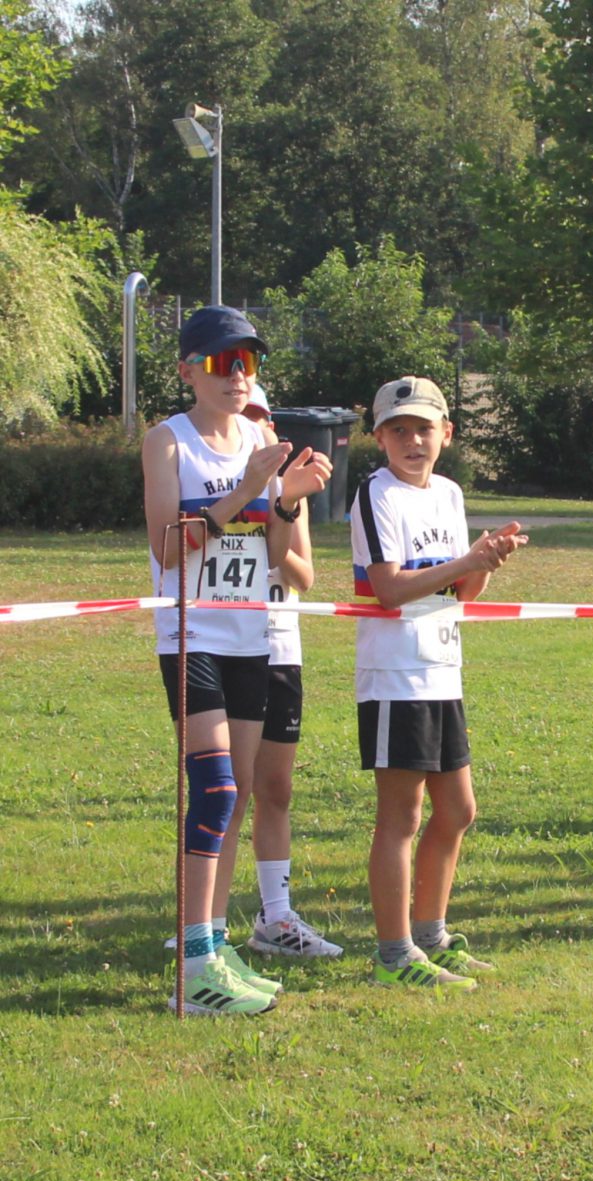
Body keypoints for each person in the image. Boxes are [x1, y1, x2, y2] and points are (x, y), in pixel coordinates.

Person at [143, 306, 332, 1015]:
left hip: (254, 636)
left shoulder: (261, 438)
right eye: (224, 363)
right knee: (216, 789)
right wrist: (250, 488)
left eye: (246, 362)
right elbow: (168, 545)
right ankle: (193, 970)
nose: (237, 375)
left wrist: (287, 502)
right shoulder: (168, 442)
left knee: (241, 791)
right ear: (189, 370)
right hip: (193, 635)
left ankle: (215, 951)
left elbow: (283, 559)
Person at [350, 377, 526, 988]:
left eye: (424, 428)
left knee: (458, 809)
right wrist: (466, 563)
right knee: (401, 816)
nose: (413, 440)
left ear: (446, 435)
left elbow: (461, 593)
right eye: (398, 429)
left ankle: (431, 936)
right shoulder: (377, 496)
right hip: (395, 674)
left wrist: (487, 561)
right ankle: (394, 955)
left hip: (443, 669)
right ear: (378, 439)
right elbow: (390, 587)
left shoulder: (449, 496)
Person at [232, 384, 345, 962]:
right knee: (226, 787)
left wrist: (280, 513)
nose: (256, 425)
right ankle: (197, 920)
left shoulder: (290, 485)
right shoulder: (221, 481)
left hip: (280, 646)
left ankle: (276, 917)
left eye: (263, 415)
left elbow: (302, 574)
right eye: (247, 415)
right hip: (225, 645)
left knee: (275, 788)